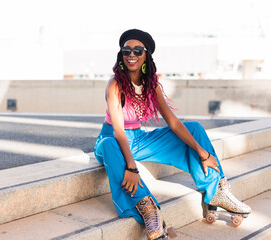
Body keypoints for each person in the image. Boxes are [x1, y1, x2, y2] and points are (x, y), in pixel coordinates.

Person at [93, 29, 251, 240]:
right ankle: (148, 210)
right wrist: (131, 167)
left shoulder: (152, 86)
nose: (131, 54)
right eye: (126, 50)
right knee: (109, 146)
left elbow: (174, 123)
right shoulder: (115, 84)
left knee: (193, 128)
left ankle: (217, 190)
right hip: (111, 139)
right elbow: (118, 131)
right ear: (121, 54)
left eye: (137, 50)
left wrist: (202, 152)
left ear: (146, 56)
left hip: (138, 139)